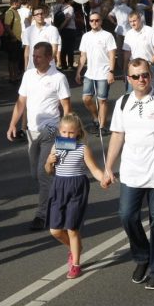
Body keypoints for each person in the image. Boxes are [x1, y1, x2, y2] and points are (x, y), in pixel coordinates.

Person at [104, 58, 154, 290]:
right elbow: (117, 135)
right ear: (128, 79)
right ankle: (142, 256)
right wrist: (108, 168)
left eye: (145, 75)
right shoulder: (122, 103)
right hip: (131, 172)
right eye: (136, 76)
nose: (142, 80)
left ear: (151, 76)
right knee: (127, 216)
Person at [6, 41, 72, 231]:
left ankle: (43, 215)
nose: (34, 59)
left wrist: (66, 139)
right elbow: (21, 102)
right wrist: (13, 124)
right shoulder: (28, 75)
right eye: (34, 56)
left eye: (39, 56)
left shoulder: (58, 78)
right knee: (36, 174)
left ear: (50, 58)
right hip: (32, 131)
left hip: (51, 130)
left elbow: (67, 108)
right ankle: (60, 196)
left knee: (43, 175)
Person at [43, 114, 107, 279]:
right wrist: (49, 162)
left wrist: (103, 178)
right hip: (59, 186)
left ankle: (76, 264)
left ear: (78, 132)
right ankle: (75, 247)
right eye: (64, 132)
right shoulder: (56, 147)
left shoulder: (82, 148)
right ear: (60, 131)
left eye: (71, 133)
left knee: (72, 228)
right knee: (55, 230)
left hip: (77, 187)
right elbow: (49, 171)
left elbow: (93, 169)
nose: (67, 135)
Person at [76, 12, 117, 134]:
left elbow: (112, 55)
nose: (94, 22)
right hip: (90, 73)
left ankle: (102, 126)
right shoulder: (86, 36)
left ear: (101, 21)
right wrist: (78, 71)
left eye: (97, 20)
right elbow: (83, 55)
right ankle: (96, 118)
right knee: (86, 99)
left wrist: (111, 71)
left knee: (102, 100)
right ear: (89, 22)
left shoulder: (107, 36)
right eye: (91, 20)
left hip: (104, 73)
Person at [123, 11, 154, 86]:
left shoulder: (150, 31)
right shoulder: (128, 34)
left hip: (149, 65)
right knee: (131, 92)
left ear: (140, 19)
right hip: (134, 66)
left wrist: (151, 62)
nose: (132, 24)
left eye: (134, 21)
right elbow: (127, 53)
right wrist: (125, 69)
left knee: (153, 91)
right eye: (130, 22)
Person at [21, 6, 61, 71]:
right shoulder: (28, 30)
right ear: (33, 17)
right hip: (32, 68)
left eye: (41, 13)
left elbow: (54, 48)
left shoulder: (52, 29)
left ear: (45, 15)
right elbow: (27, 50)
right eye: (37, 14)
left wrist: (46, 62)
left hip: (48, 67)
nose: (40, 16)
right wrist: (26, 68)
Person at [3, 0, 24, 82]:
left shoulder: (16, 12)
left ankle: (15, 75)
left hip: (17, 39)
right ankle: (12, 77)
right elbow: (7, 26)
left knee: (15, 59)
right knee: (12, 60)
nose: (20, 4)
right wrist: (13, 36)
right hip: (13, 40)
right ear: (15, 3)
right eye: (19, 3)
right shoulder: (9, 12)